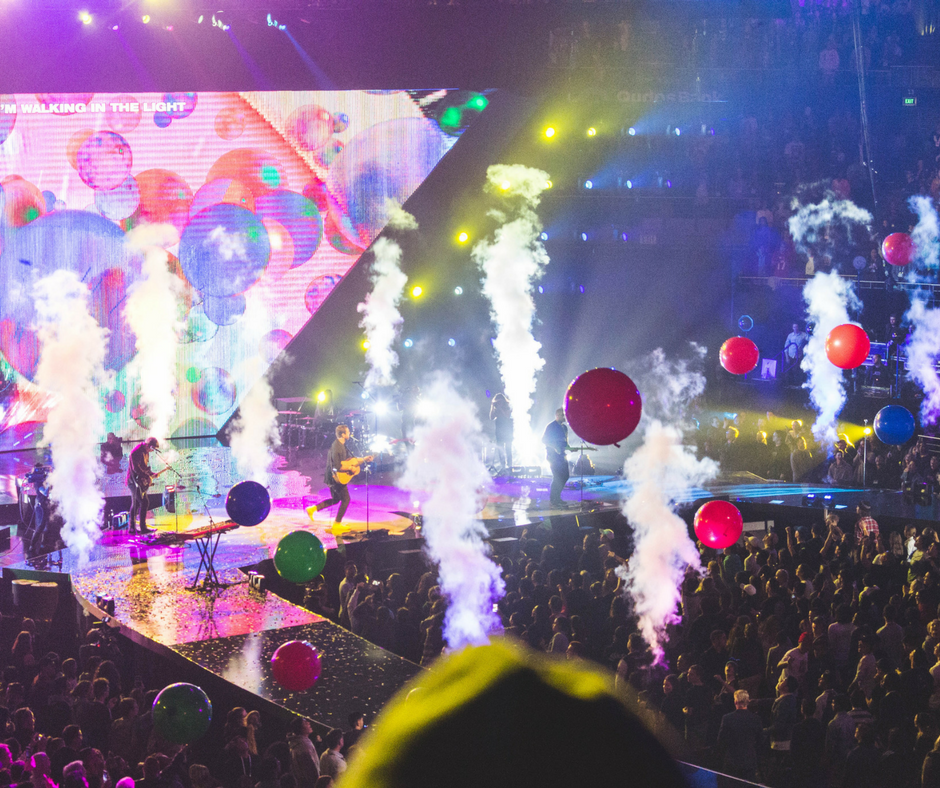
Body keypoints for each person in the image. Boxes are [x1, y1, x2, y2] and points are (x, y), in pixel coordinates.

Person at [306, 425, 372, 535]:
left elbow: (351, 460)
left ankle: (312, 509)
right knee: (346, 499)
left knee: (336, 499)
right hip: (335, 478)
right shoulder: (337, 447)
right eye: (348, 432)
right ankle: (337, 524)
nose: (350, 433)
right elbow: (337, 466)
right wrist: (350, 468)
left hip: (333, 477)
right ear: (343, 434)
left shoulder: (342, 445)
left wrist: (364, 459)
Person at [716, 689, 763, 782]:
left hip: (732, 759)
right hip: (749, 759)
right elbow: (760, 740)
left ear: (735, 702)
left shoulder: (727, 718)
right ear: (748, 702)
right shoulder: (756, 719)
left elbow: (721, 740)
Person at [126, 438, 163, 534]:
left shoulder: (145, 452)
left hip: (138, 481)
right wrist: (147, 476)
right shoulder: (136, 452)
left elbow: (144, 468)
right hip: (133, 481)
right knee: (143, 502)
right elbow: (136, 469)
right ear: (148, 446)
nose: (152, 451)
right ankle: (140, 528)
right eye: (152, 449)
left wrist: (151, 474)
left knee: (137, 503)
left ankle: (133, 528)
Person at [542, 408, 570, 508]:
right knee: (557, 477)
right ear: (557, 415)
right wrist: (554, 447)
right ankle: (554, 500)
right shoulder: (551, 426)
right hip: (553, 456)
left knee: (565, 476)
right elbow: (544, 440)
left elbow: (565, 443)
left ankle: (557, 498)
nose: (565, 417)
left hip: (562, 456)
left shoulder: (564, 428)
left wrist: (570, 448)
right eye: (563, 415)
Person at [489, 393, 513, 475]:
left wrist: (500, 408)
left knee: (508, 449)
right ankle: (503, 467)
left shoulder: (507, 407)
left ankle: (510, 467)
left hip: (507, 430)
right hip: (499, 431)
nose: (498, 403)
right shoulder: (496, 408)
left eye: (500, 401)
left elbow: (507, 416)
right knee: (500, 449)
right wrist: (492, 406)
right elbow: (491, 417)